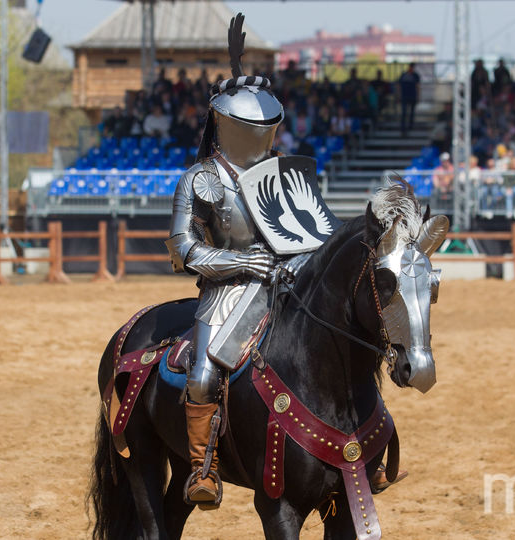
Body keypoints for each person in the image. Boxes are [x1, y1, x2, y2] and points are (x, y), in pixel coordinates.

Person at [164, 14, 327, 510]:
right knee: (202, 376)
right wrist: (238, 262)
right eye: (250, 127)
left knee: (333, 353)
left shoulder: (285, 175)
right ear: (224, 123)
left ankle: (358, 452)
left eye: (266, 129)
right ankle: (202, 468)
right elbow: (181, 248)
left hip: (288, 286)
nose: (260, 138)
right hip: (228, 293)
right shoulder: (199, 179)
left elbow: (313, 232)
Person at [398, 62, 421, 136]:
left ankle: (410, 126)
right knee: (404, 113)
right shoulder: (404, 75)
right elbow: (399, 86)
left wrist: (417, 96)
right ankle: (403, 129)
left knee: (411, 113)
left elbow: (418, 86)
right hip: (405, 96)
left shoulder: (415, 75)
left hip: (412, 96)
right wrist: (399, 95)